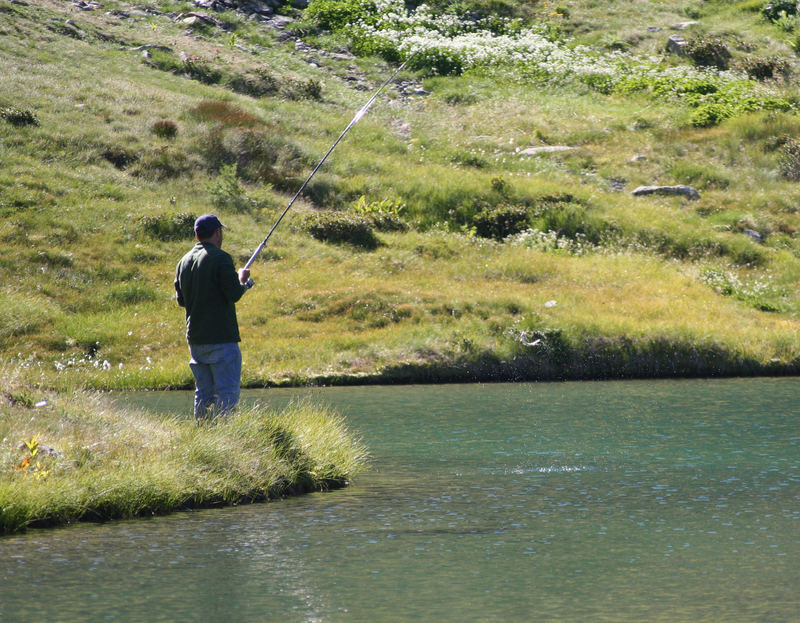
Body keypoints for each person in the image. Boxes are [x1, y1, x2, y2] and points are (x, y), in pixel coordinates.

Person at [175, 214, 254, 421]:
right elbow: (234, 294)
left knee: (203, 393)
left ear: (196, 234)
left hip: (196, 339)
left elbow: (181, 301)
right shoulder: (221, 258)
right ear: (217, 232)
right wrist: (242, 282)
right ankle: (224, 437)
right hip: (221, 338)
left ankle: (202, 434)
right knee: (226, 393)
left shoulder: (183, 262)